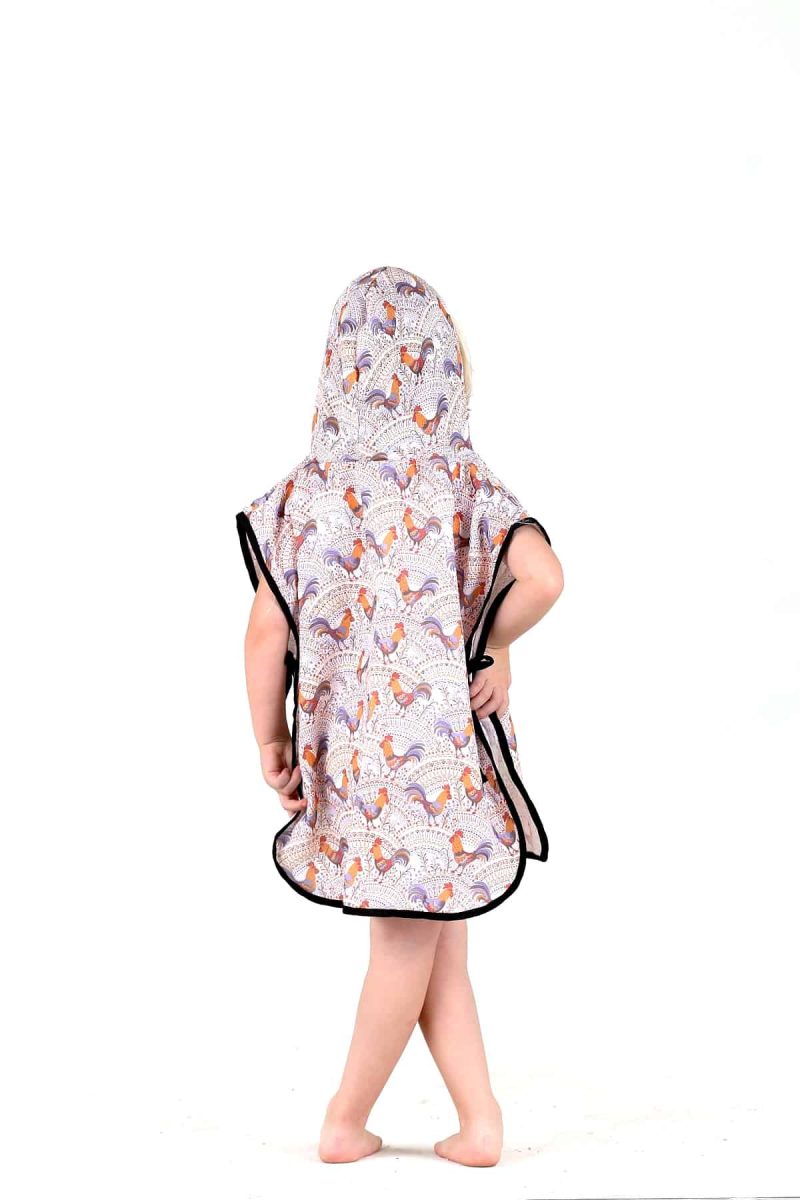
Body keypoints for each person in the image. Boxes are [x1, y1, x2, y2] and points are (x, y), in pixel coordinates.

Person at [237, 266, 564, 1166]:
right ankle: (480, 1121)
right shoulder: (461, 479)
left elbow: (265, 632)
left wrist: (270, 737)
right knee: (435, 942)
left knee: (406, 941)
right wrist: (490, 643)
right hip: (447, 762)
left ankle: (344, 1119)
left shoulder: (308, 492)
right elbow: (542, 578)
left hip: (373, 766)